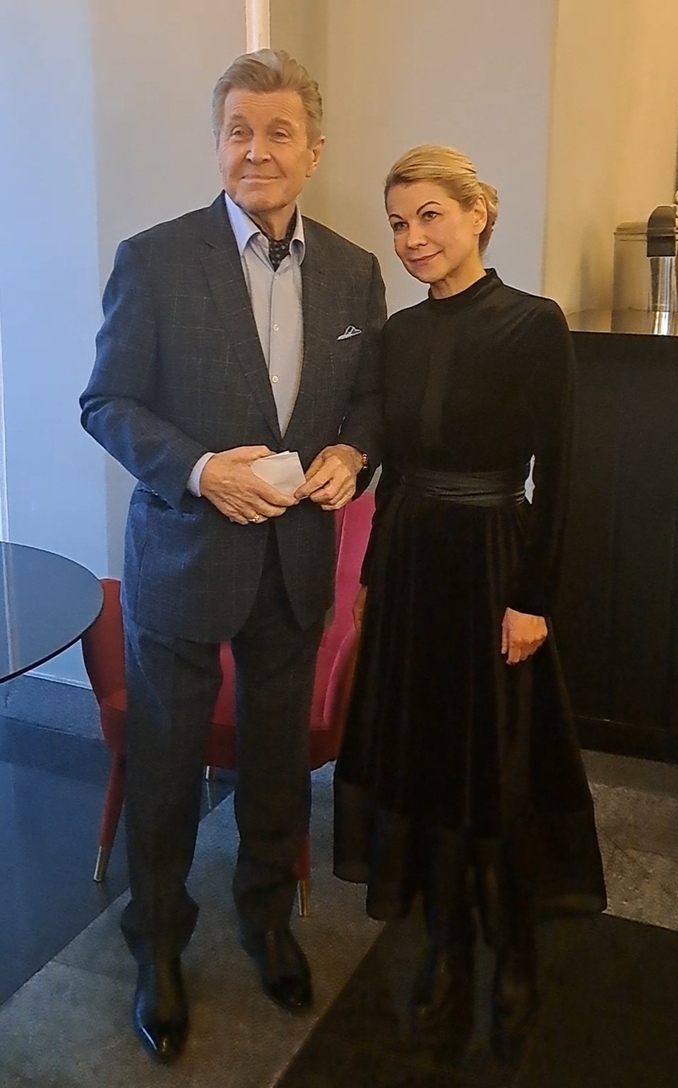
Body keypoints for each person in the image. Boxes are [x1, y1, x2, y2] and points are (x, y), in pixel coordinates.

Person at [80, 49, 385, 1063]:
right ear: (217, 144)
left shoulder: (355, 270)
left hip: (294, 563)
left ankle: (266, 919)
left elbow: (369, 403)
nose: (256, 150)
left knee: (274, 765)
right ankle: (158, 943)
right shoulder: (154, 259)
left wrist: (353, 451)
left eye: (277, 132)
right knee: (165, 770)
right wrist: (202, 467)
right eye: (238, 131)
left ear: (313, 151)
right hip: (183, 560)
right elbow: (107, 403)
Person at [333, 145, 606, 1063]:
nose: (412, 238)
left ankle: (515, 953)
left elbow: (558, 474)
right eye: (398, 223)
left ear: (477, 213)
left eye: (429, 216)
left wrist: (533, 600)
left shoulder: (534, 323)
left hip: (492, 565)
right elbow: (394, 473)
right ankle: (446, 947)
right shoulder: (399, 334)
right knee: (424, 761)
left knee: (496, 766)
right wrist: (371, 578)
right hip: (411, 566)